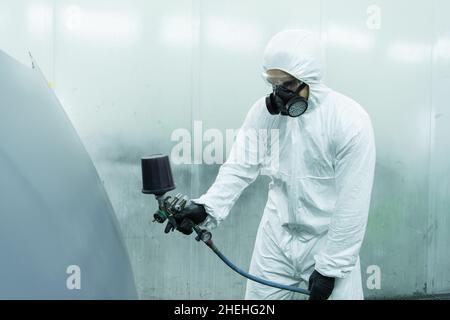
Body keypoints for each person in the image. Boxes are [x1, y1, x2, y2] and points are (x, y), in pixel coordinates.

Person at [167, 29, 376, 300]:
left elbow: (353, 203)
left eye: (286, 85)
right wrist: (207, 208)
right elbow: (240, 166)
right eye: (273, 84)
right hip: (276, 238)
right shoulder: (264, 114)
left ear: (308, 80)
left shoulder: (349, 122)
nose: (278, 95)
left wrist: (331, 267)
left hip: (327, 240)